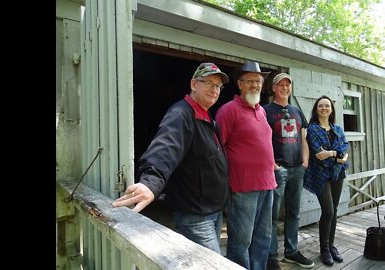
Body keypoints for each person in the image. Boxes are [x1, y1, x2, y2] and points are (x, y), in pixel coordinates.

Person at [112, 62, 230, 254]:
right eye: (208, 83)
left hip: (213, 211)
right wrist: (151, 182)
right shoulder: (181, 114)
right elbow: (166, 147)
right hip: (196, 215)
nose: (214, 89)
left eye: (218, 86)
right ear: (194, 84)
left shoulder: (207, 116)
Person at [215, 60, 276, 270]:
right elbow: (217, 149)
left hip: (268, 183)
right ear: (239, 84)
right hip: (242, 186)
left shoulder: (262, 111)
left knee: (263, 236)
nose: (255, 85)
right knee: (241, 241)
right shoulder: (228, 110)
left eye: (258, 81)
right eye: (250, 81)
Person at [263, 73, 314, 270]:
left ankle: (292, 252)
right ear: (274, 88)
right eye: (281, 85)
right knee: (272, 215)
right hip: (278, 169)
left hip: (297, 168)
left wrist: (306, 160)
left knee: (294, 213)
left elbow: (303, 138)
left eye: (288, 85)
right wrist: (273, 165)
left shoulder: (297, 111)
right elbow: (262, 141)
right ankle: (272, 256)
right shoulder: (265, 111)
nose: (285, 88)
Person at [303, 95, 349, 266]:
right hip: (321, 175)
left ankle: (331, 246)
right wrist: (338, 156)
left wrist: (331, 153)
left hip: (338, 174)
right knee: (328, 211)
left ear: (331, 109)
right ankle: (324, 249)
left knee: (334, 211)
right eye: (320, 106)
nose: (324, 108)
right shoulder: (313, 129)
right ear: (316, 109)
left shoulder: (337, 129)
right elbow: (318, 155)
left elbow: (344, 149)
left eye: (327, 106)